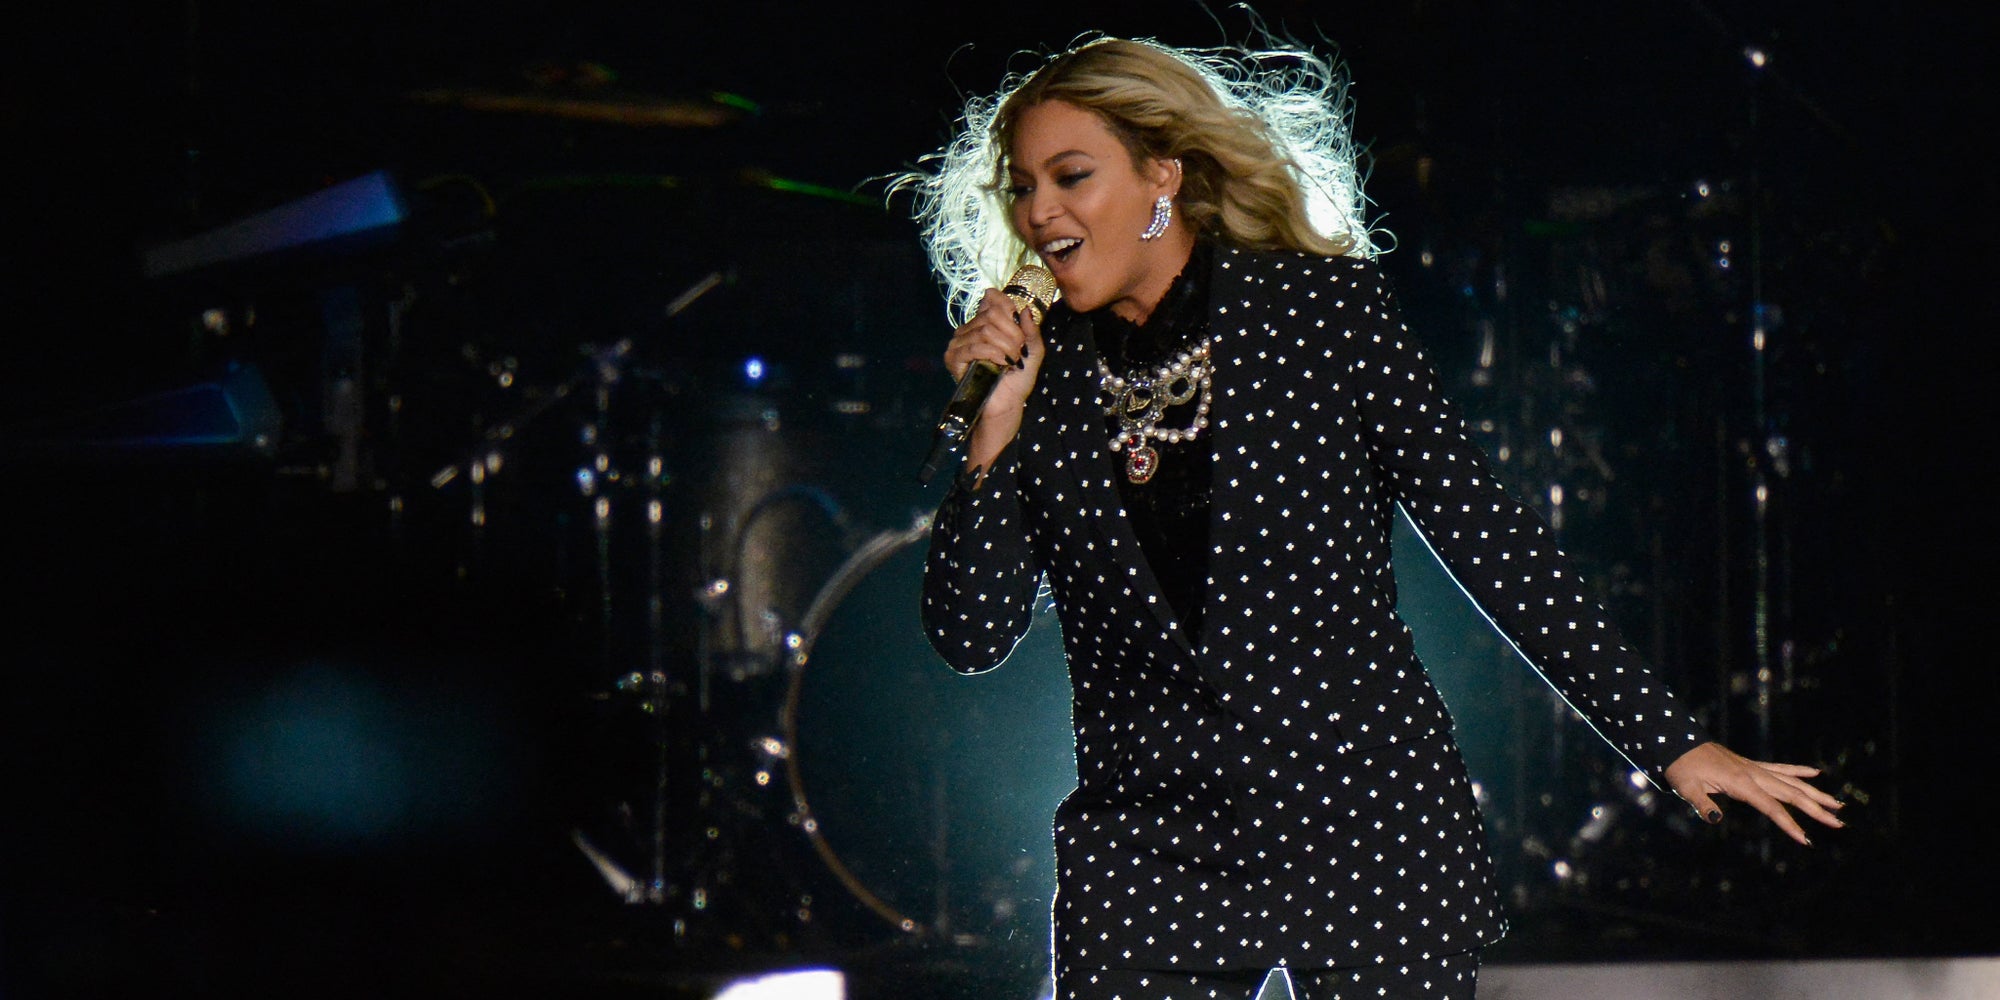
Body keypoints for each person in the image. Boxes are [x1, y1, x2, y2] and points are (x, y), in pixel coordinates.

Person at [895, 34, 1843, 1000]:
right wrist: (996, 428)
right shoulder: (1039, 382)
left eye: (1071, 175)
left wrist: (1671, 742)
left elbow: (1487, 537)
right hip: (1148, 855)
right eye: (1021, 186)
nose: (1039, 209)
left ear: (1163, 175)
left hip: (1366, 829)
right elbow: (971, 634)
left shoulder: (1321, 315)